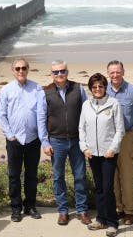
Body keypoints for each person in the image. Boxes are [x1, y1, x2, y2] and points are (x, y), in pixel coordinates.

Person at [0, 58, 49, 222]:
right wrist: (10, 135)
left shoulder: (37, 88)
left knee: (31, 175)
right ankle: (16, 208)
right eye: (17, 68)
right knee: (14, 175)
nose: (21, 71)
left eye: (24, 68)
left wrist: (43, 138)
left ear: (28, 69)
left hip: (33, 139)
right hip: (14, 140)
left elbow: (41, 114)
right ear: (13, 71)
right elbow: (1, 115)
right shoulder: (6, 90)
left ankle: (30, 206)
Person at [42, 60, 92, 226]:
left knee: (79, 176)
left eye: (62, 71)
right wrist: (44, 142)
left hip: (77, 140)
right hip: (56, 141)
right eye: (55, 72)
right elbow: (41, 118)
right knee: (58, 177)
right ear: (52, 74)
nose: (59, 74)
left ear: (67, 72)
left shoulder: (78, 88)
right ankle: (63, 211)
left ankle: (82, 210)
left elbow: (86, 113)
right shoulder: (46, 91)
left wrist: (87, 140)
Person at [79, 73, 125, 237]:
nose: (97, 89)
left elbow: (120, 129)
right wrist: (84, 147)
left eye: (100, 86)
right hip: (92, 153)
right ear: (90, 88)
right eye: (94, 87)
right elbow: (81, 128)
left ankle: (112, 223)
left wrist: (112, 148)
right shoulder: (86, 105)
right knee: (98, 188)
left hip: (108, 154)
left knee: (107, 189)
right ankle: (101, 218)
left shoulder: (114, 104)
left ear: (105, 87)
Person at [105, 60, 133, 225]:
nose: (115, 75)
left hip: (127, 138)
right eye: (112, 72)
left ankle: (129, 211)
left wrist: (132, 132)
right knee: (111, 176)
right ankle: (118, 209)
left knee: (127, 177)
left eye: (118, 71)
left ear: (123, 72)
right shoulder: (102, 89)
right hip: (107, 138)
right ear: (108, 73)